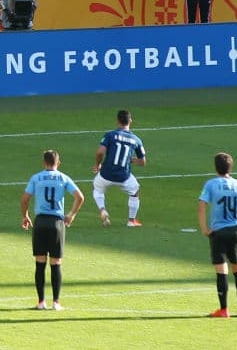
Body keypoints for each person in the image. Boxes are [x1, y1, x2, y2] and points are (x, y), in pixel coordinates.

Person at [198, 152, 237, 318]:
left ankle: (224, 310)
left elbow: (201, 207)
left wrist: (205, 229)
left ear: (215, 167)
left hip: (217, 233)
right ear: (230, 167)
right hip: (235, 232)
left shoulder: (211, 184)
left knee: (221, 271)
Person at [20, 149, 84, 311]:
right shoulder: (63, 178)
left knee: (40, 263)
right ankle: (56, 302)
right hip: (57, 223)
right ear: (58, 163)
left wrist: (25, 216)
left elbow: (25, 200)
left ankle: (41, 302)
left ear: (44, 163)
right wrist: (71, 215)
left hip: (40, 222)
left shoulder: (36, 178)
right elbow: (80, 197)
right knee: (56, 263)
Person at [91, 110, 146, 228]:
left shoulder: (110, 135)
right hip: (124, 176)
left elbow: (100, 152)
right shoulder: (136, 140)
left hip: (106, 174)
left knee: (97, 188)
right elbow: (142, 162)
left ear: (117, 121)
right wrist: (132, 160)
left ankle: (102, 210)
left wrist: (97, 165)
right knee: (135, 191)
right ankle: (131, 221)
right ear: (130, 121)